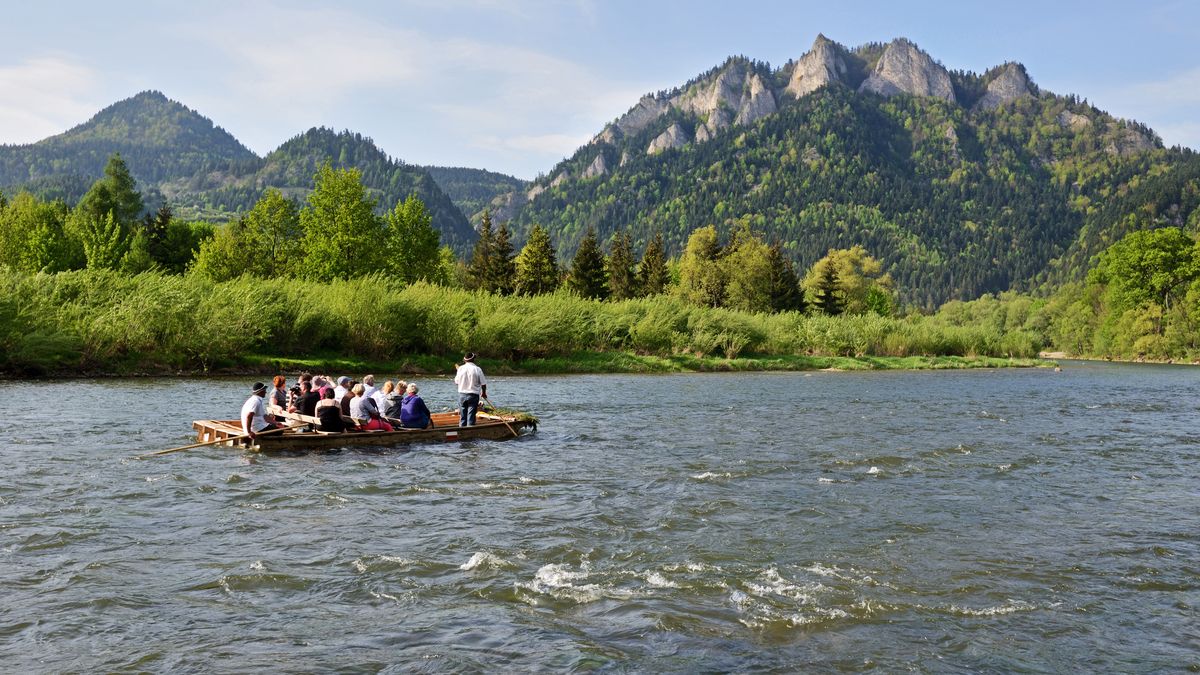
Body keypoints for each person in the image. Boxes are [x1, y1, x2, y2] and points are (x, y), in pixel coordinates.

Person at [454, 351, 487, 426]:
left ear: (465, 360)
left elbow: (456, 382)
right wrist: (484, 393)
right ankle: (470, 431)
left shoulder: (461, 369)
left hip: (462, 395)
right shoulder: (477, 369)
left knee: (463, 417)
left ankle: (462, 430)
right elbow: (483, 384)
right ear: (473, 359)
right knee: (471, 416)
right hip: (473, 396)